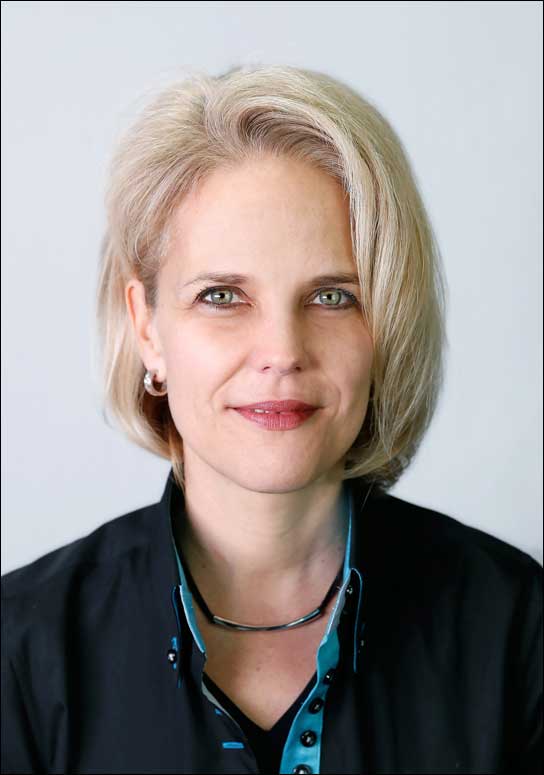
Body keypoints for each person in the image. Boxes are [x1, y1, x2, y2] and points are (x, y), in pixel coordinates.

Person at [1, 64, 541, 775]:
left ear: (388, 320)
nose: (282, 352)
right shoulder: (20, 651)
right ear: (148, 327)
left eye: (332, 296)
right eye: (222, 296)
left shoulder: (517, 628)